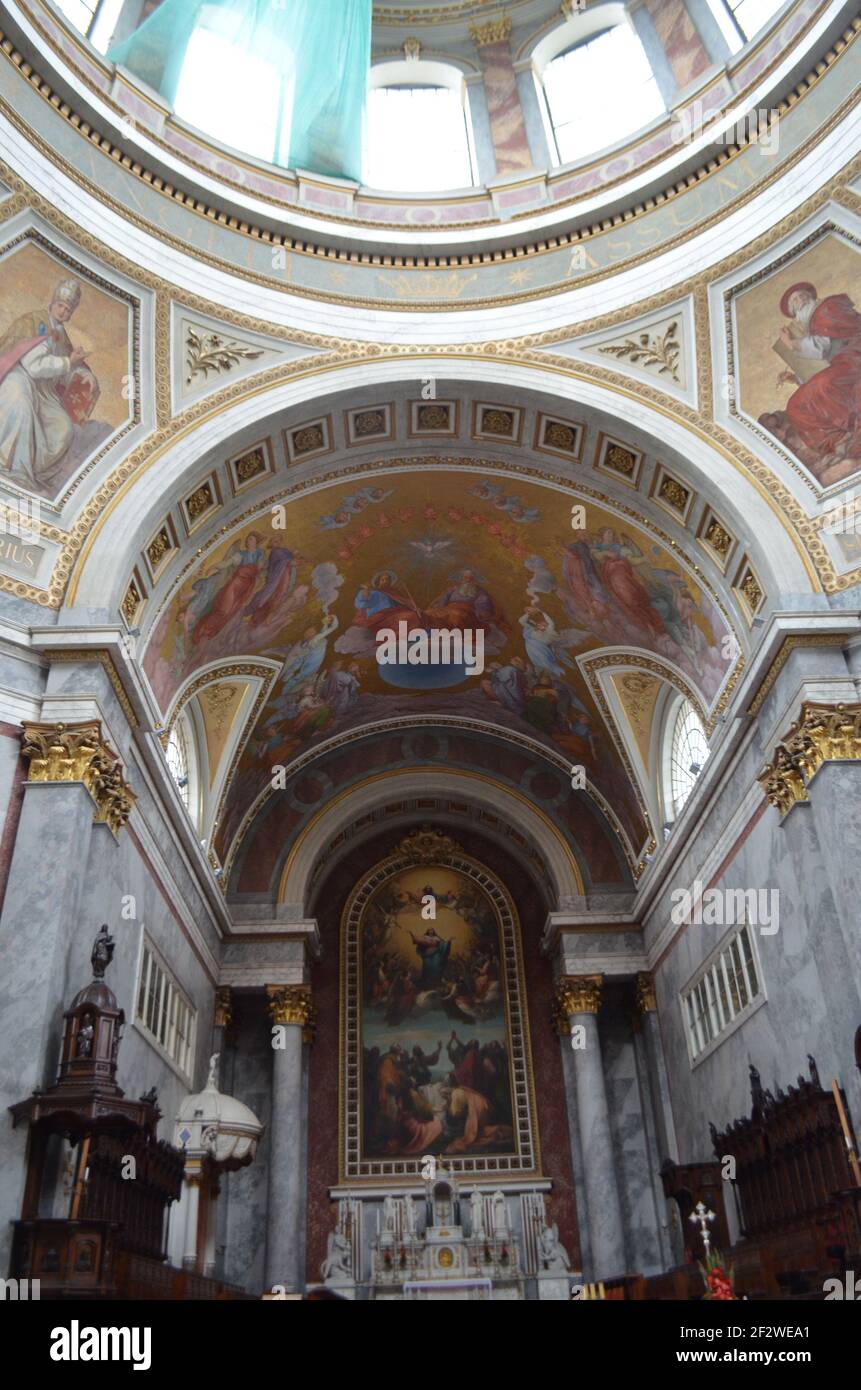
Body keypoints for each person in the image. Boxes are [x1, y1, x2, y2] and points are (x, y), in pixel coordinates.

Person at [0, 278, 95, 486]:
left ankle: (37, 472)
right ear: (52, 303)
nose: (63, 313)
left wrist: (81, 372)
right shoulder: (34, 322)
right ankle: (14, 468)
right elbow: (34, 366)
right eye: (61, 306)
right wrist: (68, 362)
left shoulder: (60, 334)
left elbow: (65, 366)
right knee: (21, 407)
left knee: (63, 428)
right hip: (19, 376)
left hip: (43, 391)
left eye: (68, 310)